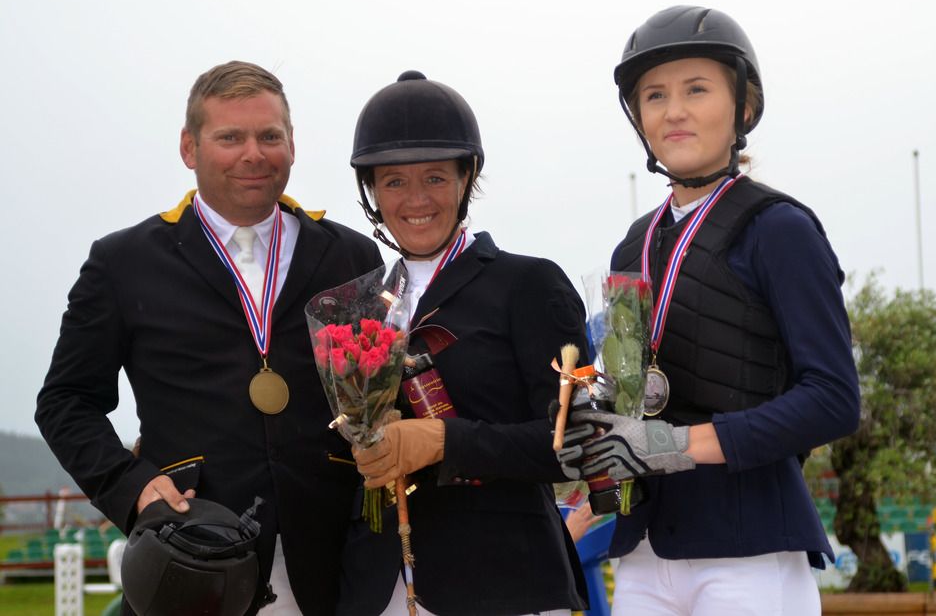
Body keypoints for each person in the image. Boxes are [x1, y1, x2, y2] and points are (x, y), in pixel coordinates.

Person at [36, 60, 383, 615]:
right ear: (189, 148)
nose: (253, 153)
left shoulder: (350, 254)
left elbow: (373, 396)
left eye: (269, 136)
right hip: (196, 555)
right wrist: (134, 489)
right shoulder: (123, 263)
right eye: (230, 137)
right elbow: (65, 403)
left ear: (292, 144)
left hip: (335, 558)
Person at [558, 6, 861, 615]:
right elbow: (629, 406)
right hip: (644, 554)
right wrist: (586, 447)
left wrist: (678, 444)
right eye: (654, 95)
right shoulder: (633, 244)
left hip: (748, 552)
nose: (674, 110)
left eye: (696, 89)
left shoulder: (779, 229)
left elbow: (833, 398)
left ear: (742, 107)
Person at [338, 70, 589, 616]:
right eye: (394, 182)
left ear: (465, 178)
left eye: (434, 177)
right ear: (372, 193)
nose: (415, 199)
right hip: (379, 584)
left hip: (503, 578)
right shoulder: (361, 308)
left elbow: (579, 441)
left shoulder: (529, 284)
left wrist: (444, 441)